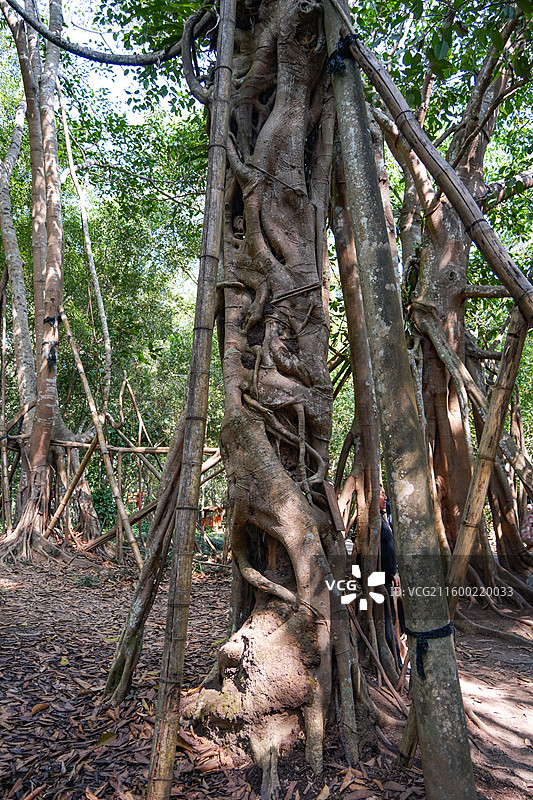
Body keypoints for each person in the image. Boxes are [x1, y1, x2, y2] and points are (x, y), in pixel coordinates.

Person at [380, 485, 406, 663]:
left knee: (399, 619)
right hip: (381, 580)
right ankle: (395, 659)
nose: (385, 497)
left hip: (392, 578)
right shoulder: (373, 522)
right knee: (389, 620)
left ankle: (400, 656)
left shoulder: (384, 519)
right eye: (382, 494)